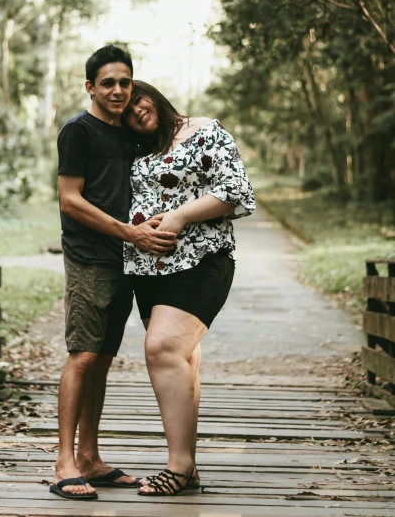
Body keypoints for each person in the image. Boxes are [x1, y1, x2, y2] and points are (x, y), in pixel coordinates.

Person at [50, 47, 177, 501]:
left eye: (125, 82)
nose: (119, 91)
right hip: (90, 258)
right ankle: (64, 461)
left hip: (128, 262)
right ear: (90, 87)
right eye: (108, 83)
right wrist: (130, 233)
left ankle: (90, 458)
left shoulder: (131, 134)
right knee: (82, 357)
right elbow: (70, 199)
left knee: (102, 360)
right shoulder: (78, 132)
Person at [123, 80, 255, 497]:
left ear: (153, 93)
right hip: (149, 268)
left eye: (137, 98)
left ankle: (178, 467)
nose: (135, 111)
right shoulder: (135, 148)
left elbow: (236, 192)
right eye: (125, 110)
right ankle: (188, 468)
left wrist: (179, 216)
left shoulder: (204, 131)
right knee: (182, 359)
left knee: (162, 349)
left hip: (202, 259)